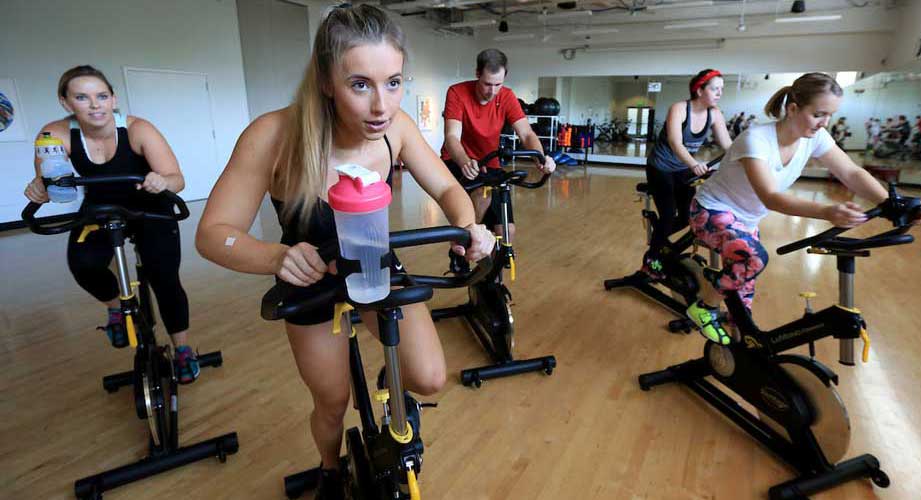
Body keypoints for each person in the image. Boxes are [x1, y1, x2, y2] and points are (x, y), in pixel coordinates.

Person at [194, 6, 495, 498]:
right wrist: (276, 257)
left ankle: (388, 388)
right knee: (332, 403)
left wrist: (469, 227)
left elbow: (447, 187)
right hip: (310, 278)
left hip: (376, 265)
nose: (382, 105)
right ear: (326, 80)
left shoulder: (396, 128)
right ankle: (330, 470)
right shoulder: (273, 136)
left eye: (394, 82)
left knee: (431, 377)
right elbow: (213, 233)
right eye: (360, 84)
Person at [683, 72, 921, 345]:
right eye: (818, 114)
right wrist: (827, 211)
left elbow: (850, 172)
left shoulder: (815, 137)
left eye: (830, 116)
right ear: (792, 109)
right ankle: (703, 307)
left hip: (746, 220)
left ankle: (737, 347)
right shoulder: (756, 140)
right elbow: (772, 198)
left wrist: (890, 204)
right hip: (710, 211)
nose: (824, 123)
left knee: (742, 301)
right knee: (752, 260)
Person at [23, 65, 201, 383]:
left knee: (165, 278)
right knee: (84, 265)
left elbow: (178, 180)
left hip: (149, 205)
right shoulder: (55, 134)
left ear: (113, 99)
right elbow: (50, 182)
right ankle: (117, 308)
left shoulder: (138, 129)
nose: (95, 105)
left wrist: (162, 182)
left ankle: (183, 349)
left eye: (101, 96)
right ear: (66, 103)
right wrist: (39, 187)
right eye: (82, 97)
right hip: (101, 207)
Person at [440, 48, 556, 270]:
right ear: (477, 74)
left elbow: (527, 134)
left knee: (507, 231)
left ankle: (489, 277)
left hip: (490, 162)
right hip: (457, 161)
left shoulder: (507, 96)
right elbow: (452, 137)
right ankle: (460, 247)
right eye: (487, 84)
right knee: (482, 195)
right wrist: (465, 161)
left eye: (498, 85)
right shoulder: (457, 93)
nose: (492, 91)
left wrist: (540, 158)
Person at [642, 69, 732, 279]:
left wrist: (748, 157)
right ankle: (651, 258)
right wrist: (694, 164)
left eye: (721, 89)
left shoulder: (715, 113)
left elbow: (728, 144)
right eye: (714, 89)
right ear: (699, 90)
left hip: (682, 170)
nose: (719, 93)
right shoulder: (680, 109)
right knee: (667, 215)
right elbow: (675, 142)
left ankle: (660, 238)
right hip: (660, 168)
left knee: (687, 217)